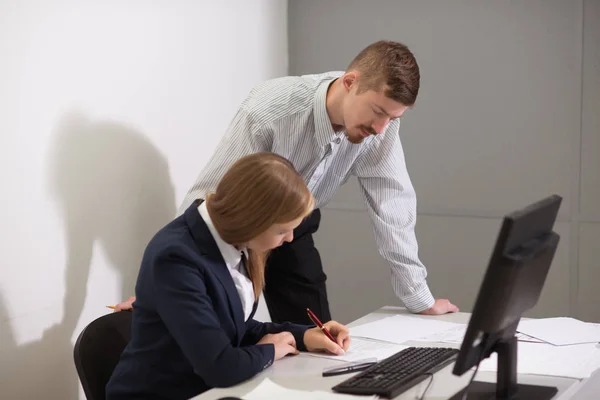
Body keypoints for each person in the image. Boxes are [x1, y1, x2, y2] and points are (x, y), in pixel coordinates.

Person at [114, 39, 458, 324]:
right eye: (378, 112)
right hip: (243, 227)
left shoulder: (381, 129)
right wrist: (161, 280)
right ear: (350, 82)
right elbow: (213, 193)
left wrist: (419, 297)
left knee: (319, 336)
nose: (381, 128)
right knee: (211, 332)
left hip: (297, 225)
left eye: (393, 118)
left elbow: (393, 206)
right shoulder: (269, 111)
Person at [106, 153, 351, 400]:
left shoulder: (235, 244)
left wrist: (304, 336)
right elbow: (219, 366)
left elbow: (232, 326)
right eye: (283, 230)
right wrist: (268, 351)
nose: (289, 239)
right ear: (253, 220)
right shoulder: (175, 258)